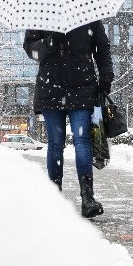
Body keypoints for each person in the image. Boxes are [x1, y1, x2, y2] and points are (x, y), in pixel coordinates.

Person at [23, 21, 114, 218]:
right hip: (53, 90)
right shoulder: (43, 14)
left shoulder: (87, 14)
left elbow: (102, 49)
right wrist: (50, 42)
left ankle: (86, 197)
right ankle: (64, 198)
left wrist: (106, 79)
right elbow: (30, 49)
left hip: (80, 88)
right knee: (58, 143)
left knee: (81, 141)